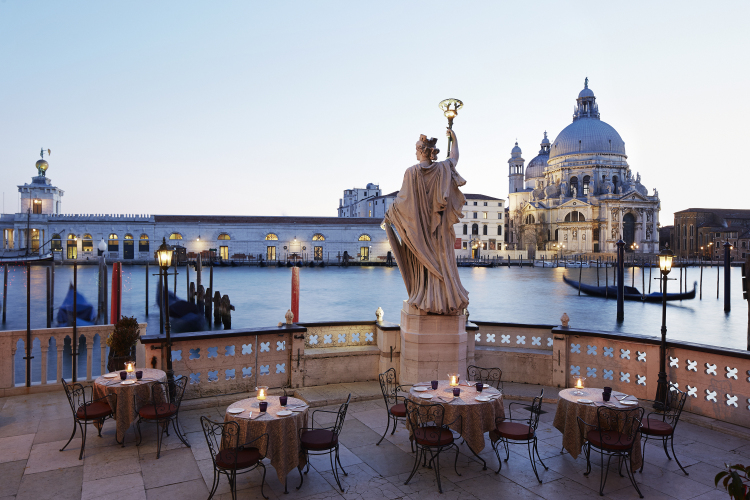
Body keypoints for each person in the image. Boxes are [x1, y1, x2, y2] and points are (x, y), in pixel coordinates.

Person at [382, 128, 469, 315]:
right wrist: (454, 138)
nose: (415, 153)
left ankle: (426, 299)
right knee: (443, 262)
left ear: (422, 151)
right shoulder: (444, 168)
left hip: (421, 233)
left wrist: (390, 213)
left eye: (416, 149)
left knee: (424, 265)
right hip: (440, 232)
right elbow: (454, 157)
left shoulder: (411, 172)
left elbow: (403, 202)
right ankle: (446, 299)